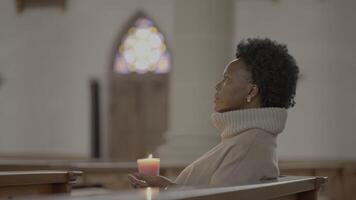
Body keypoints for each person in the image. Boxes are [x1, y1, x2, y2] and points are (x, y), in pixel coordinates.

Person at [128, 38, 299, 188]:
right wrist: (168, 187)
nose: (217, 86)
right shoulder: (246, 140)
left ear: (251, 92)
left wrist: (168, 190)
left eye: (227, 79)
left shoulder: (248, 146)